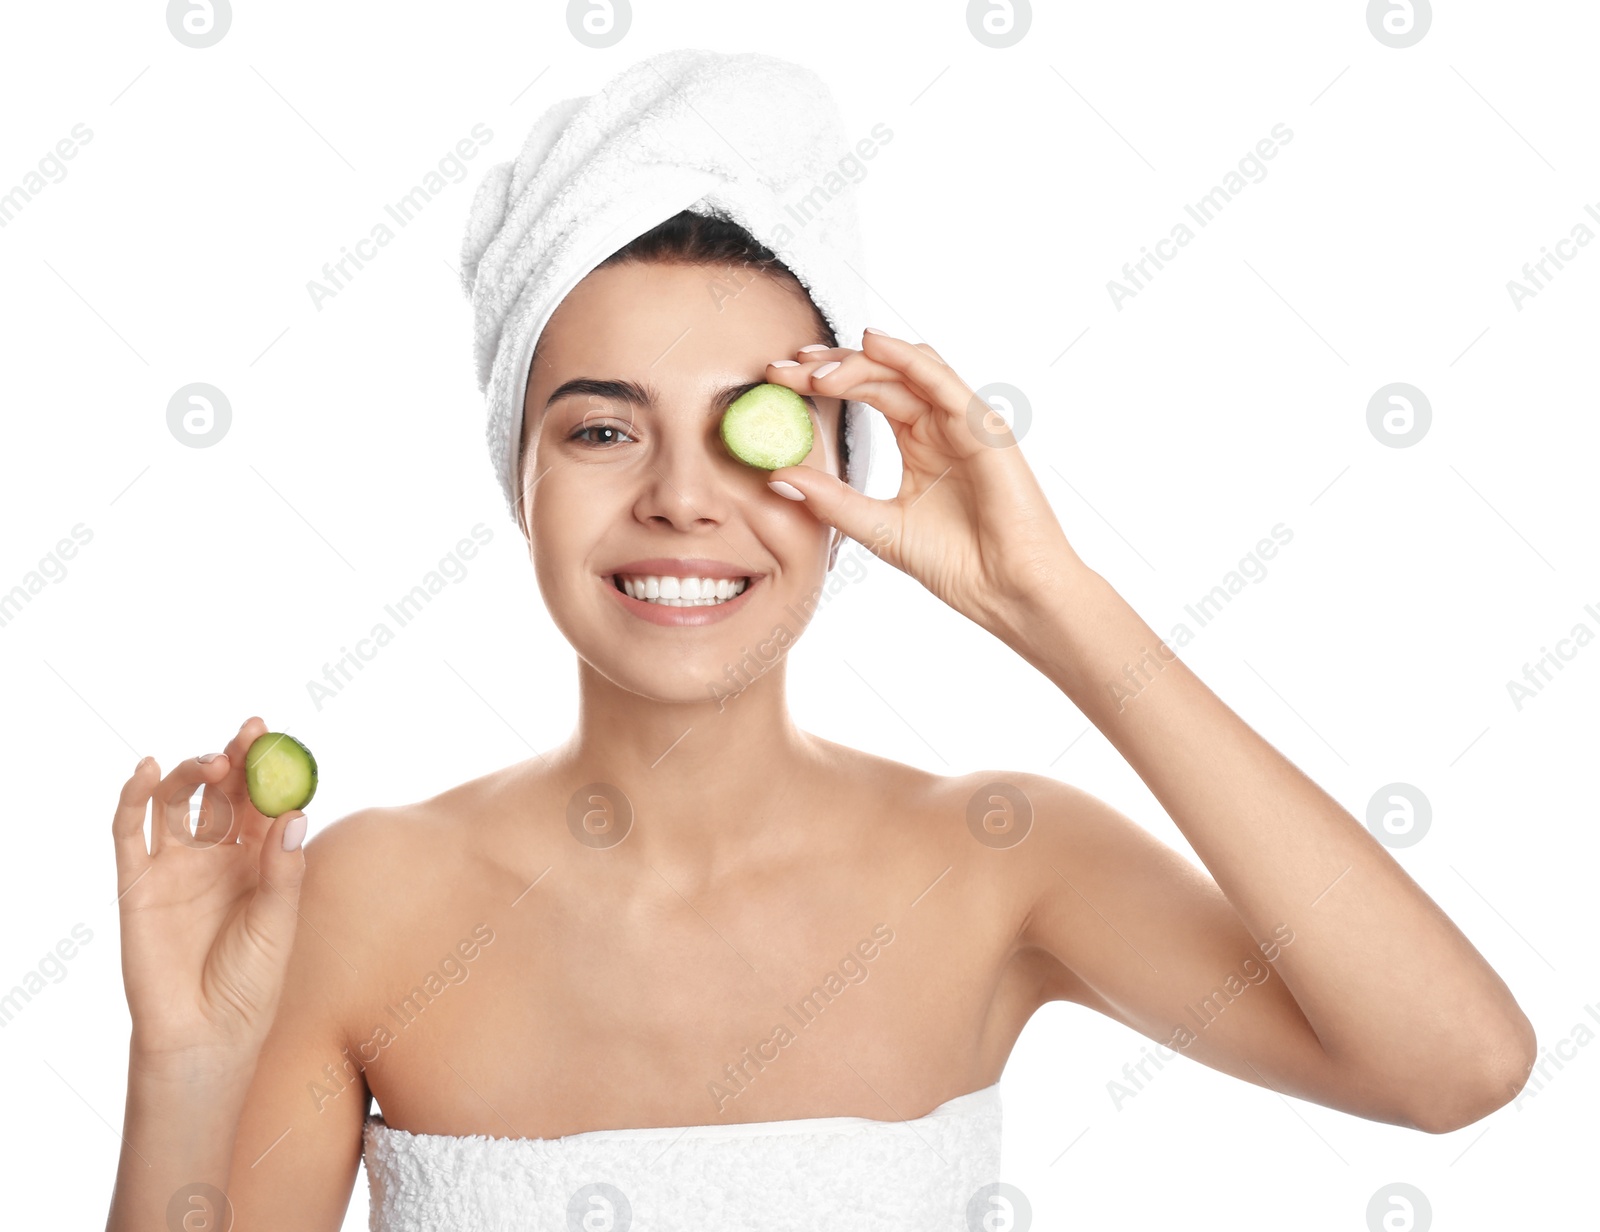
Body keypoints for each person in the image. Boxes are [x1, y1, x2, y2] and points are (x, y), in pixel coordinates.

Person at [106, 74, 1538, 1232]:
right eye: (603, 429)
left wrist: (1056, 605)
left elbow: (1454, 1067)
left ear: (843, 465)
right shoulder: (357, 898)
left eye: (749, 429)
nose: (680, 498)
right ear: (518, 476)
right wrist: (183, 1064)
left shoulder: (998, 859)